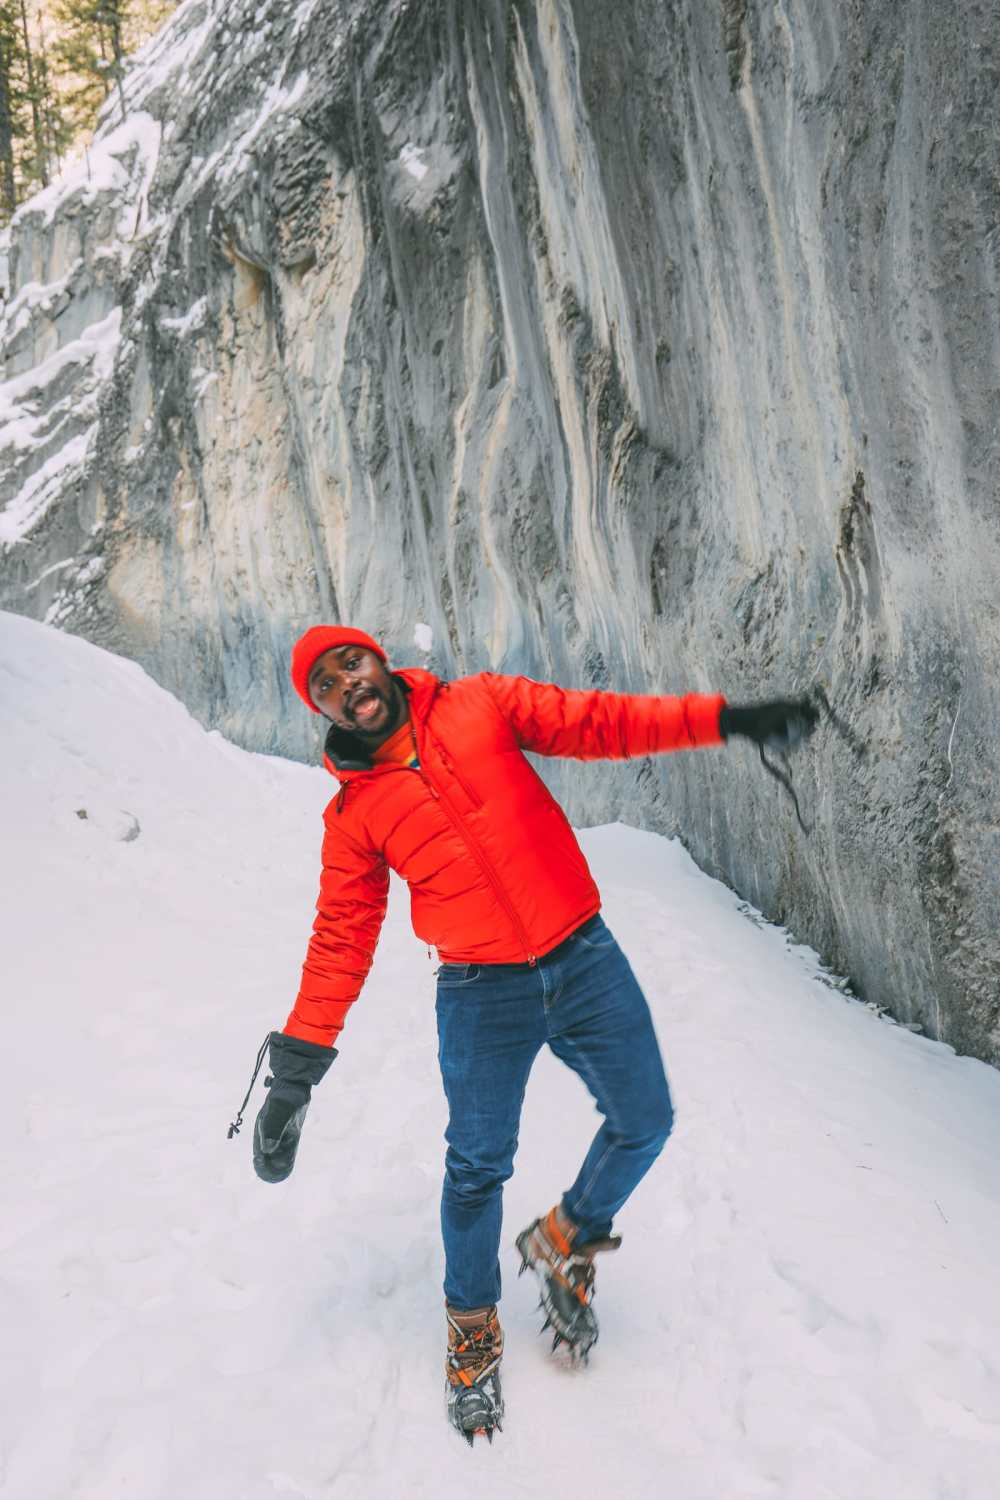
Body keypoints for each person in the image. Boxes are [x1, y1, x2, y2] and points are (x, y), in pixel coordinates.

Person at [242, 625, 817, 1444]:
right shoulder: (354, 815)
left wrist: (726, 719)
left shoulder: (479, 704)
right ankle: (472, 1328)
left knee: (644, 1119)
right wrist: (294, 1073)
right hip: (479, 992)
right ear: (324, 710)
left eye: (350, 662)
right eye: (325, 685)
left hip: (582, 955)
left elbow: (602, 722)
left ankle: (565, 1236)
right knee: (476, 1166)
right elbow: (341, 935)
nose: (346, 684)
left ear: (378, 662)